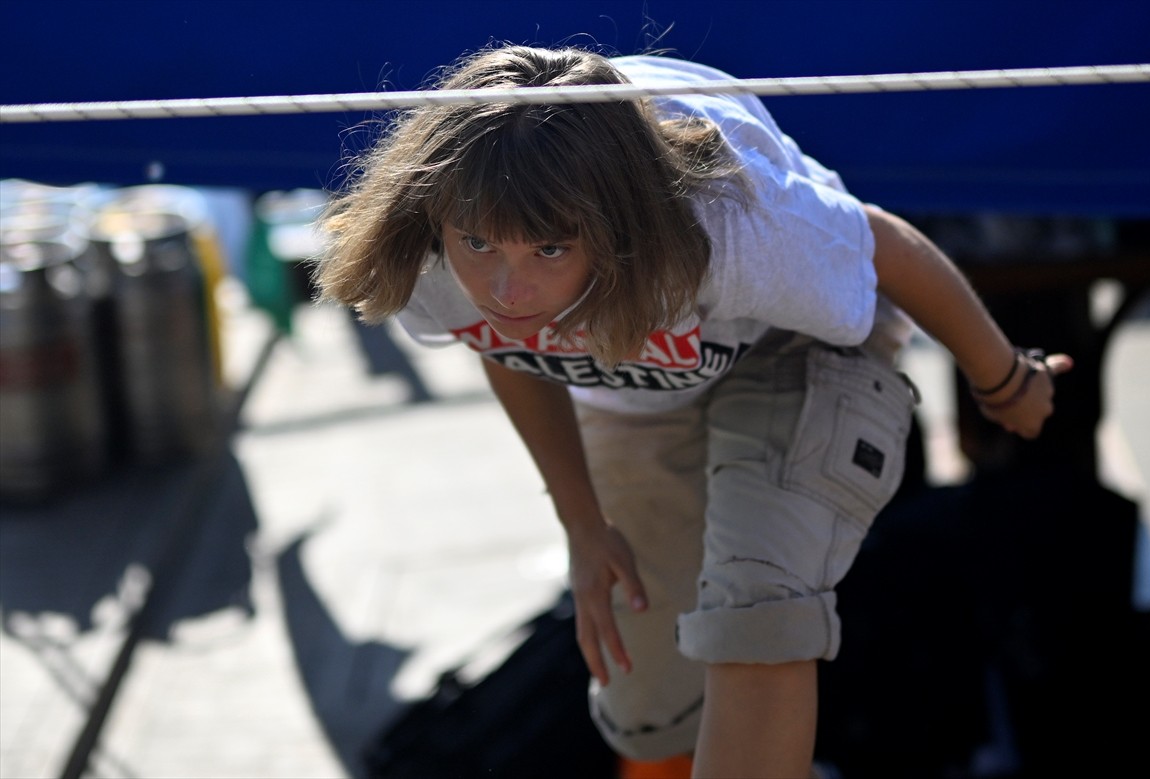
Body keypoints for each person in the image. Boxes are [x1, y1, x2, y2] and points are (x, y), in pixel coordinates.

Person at [315, 45, 1071, 778]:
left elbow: (886, 245)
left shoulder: (730, 225)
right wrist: (582, 524)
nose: (506, 288)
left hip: (793, 350)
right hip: (634, 392)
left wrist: (1004, 378)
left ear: (614, 232)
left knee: (758, 611)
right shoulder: (427, 245)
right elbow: (504, 345)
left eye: (547, 250)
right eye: (481, 246)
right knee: (647, 704)